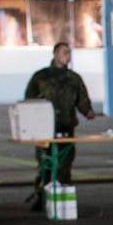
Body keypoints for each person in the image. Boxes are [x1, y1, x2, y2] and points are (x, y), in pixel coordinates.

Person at [23, 42, 96, 212]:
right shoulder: (41, 77)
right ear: (55, 54)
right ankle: (41, 195)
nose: (67, 56)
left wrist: (88, 111)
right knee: (45, 162)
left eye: (69, 53)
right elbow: (29, 99)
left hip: (66, 125)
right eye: (64, 53)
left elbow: (82, 99)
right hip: (44, 127)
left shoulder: (73, 78)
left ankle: (61, 197)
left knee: (64, 162)